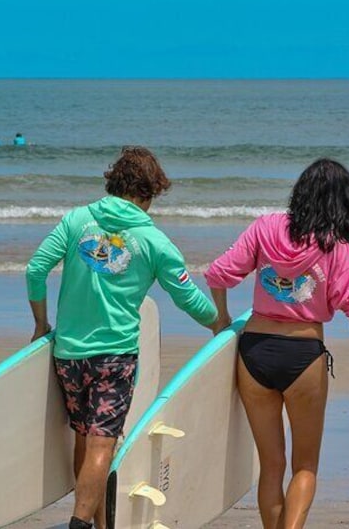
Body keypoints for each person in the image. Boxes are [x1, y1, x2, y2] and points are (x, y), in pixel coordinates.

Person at [204, 158, 349, 529]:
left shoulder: (265, 228)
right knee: (305, 467)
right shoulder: (336, 248)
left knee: (271, 467)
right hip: (303, 357)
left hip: (253, 352)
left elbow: (218, 273)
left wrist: (221, 321)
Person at [26, 145, 219, 529]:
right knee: (103, 443)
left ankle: (99, 524)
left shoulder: (76, 220)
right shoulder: (154, 241)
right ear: (147, 194)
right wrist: (218, 323)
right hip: (114, 357)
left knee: (84, 437)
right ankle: (80, 524)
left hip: (68, 353)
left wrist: (40, 323)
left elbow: (35, 270)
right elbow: (189, 298)